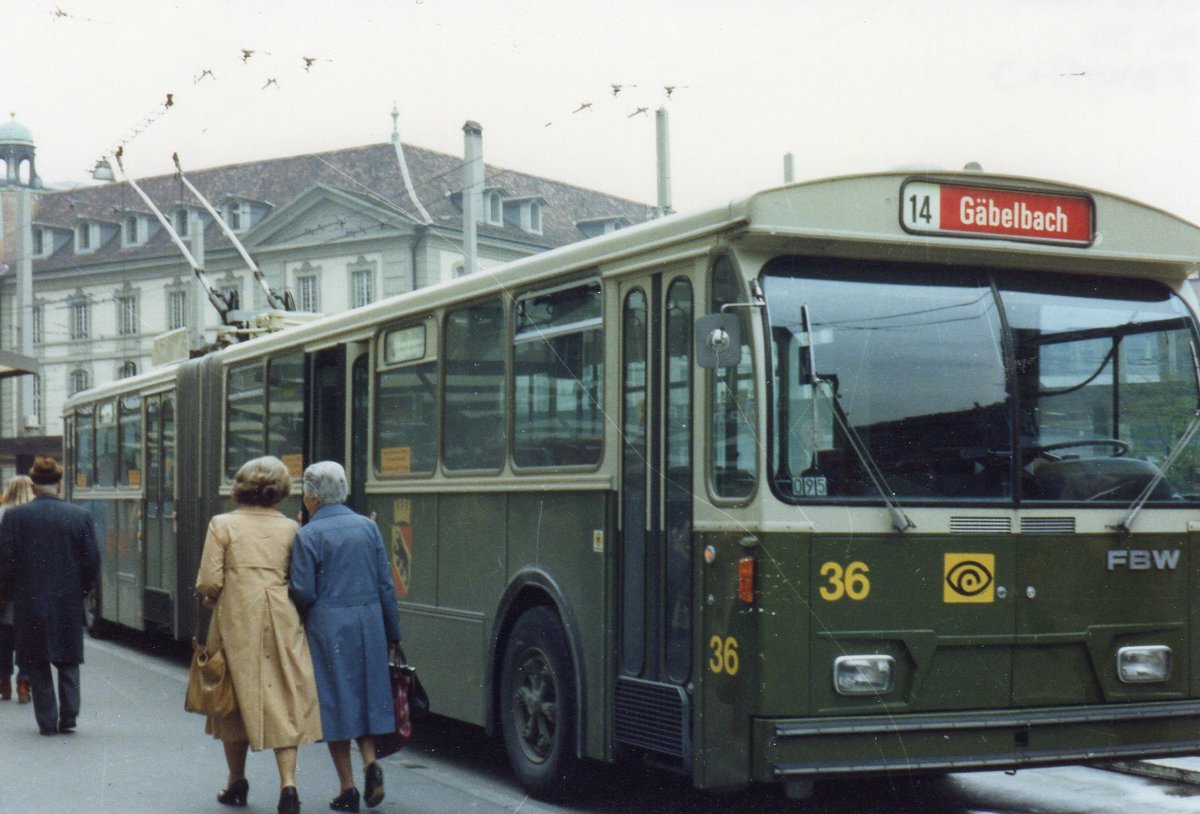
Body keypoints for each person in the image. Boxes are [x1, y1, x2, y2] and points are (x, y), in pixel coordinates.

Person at [195, 456, 322, 814]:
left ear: (240, 487)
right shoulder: (291, 529)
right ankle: (289, 785)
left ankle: (237, 781)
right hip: (281, 619)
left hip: (235, 617)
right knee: (282, 696)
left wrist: (211, 598)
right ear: (280, 491)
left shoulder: (222, 524)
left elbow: (209, 580)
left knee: (231, 697)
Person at [291, 461, 401, 813]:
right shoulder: (368, 529)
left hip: (328, 625)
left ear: (312, 496)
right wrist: (393, 632)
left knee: (335, 703)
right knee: (365, 696)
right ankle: (371, 764)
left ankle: (348, 788)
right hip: (368, 621)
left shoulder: (307, 535)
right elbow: (386, 584)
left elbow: (303, 591)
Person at [0, 457, 99, 735]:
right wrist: (81, 591)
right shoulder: (80, 516)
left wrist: (6, 595)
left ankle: (47, 719)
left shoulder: (15, 517)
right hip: (67, 599)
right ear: (59, 484)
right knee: (68, 657)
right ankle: (69, 713)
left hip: (29, 600)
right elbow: (91, 561)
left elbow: (6, 562)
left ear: (32, 485)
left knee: (36, 659)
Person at [0, 475, 35, 704]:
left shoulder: (3, 513)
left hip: (4, 584)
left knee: (4, 633)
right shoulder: (35, 514)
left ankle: (4, 681)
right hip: (30, 586)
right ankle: (25, 681)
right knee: (28, 635)